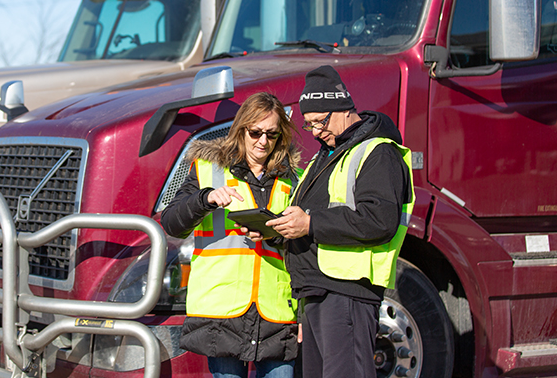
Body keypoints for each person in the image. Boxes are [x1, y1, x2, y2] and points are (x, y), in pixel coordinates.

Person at [253, 65, 415, 378]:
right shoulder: (326, 155)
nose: (314, 132)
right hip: (315, 290)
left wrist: (309, 224)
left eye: (319, 122)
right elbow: (306, 217)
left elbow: (379, 220)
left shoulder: (378, 152)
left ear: (341, 110)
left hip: (346, 292)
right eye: (309, 124)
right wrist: (275, 230)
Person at [161, 92, 301, 378]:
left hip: (277, 310)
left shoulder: (293, 179)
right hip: (221, 309)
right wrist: (206, 199)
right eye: (255, 132)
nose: (263, 141)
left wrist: (274, 235)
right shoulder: (207, 170)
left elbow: (304, 245)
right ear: (241, 130)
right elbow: (172, 223)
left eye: (271, 135)